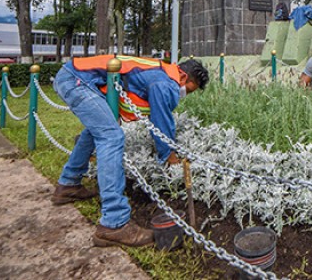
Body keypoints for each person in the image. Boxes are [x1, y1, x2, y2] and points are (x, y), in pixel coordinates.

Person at [51, 55, 209, 248]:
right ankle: (114, 223)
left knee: (96, 131)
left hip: (74, 76)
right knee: (111, 136)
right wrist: (169, 156)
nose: (184, 93)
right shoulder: (166, 82)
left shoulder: (159, 72)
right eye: (189, 90)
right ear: (183, 77)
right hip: (78, 81)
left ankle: (68, 184)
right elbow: (162, 122)